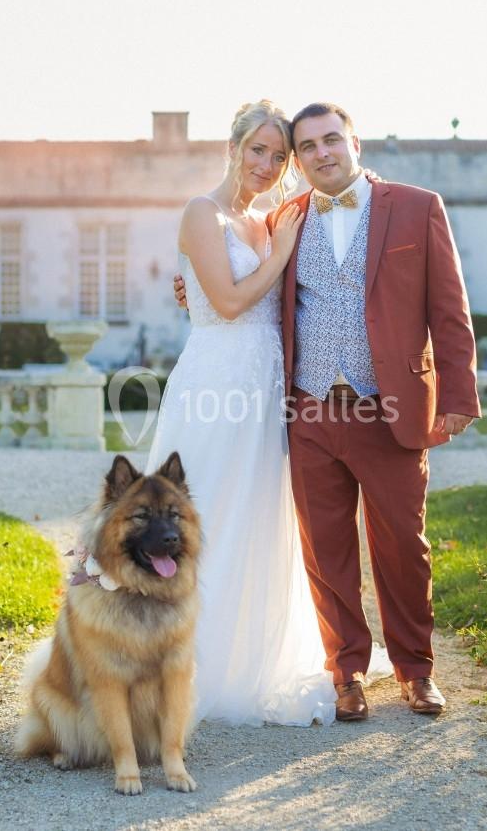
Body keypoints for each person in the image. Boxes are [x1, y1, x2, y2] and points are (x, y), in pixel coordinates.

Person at [175, 102, 480, 721]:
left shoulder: (417, 207)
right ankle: (347, 673)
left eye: (328, 141)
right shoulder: (284, 215)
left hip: (387, 405)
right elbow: (232, 281)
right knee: (325, 549)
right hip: (308, 410)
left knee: (403, 546)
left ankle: (416, 671)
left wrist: (457, 395)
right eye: (305, 147)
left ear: (354, 142)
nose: (319, 154)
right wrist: (189, 284)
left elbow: (450, 309)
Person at [146, 99, 363, 726]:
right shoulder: (202, 213)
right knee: (206, 506)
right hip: (216, 381)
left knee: (262, 510)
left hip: (268, 382)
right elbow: (232, 301)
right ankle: (184, 659)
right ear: (234, 146)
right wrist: (278, 250)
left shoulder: (269, 221)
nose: (267, 165)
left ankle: (253, 655)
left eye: (278, 155)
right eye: (257, 151)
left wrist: (280, 243)